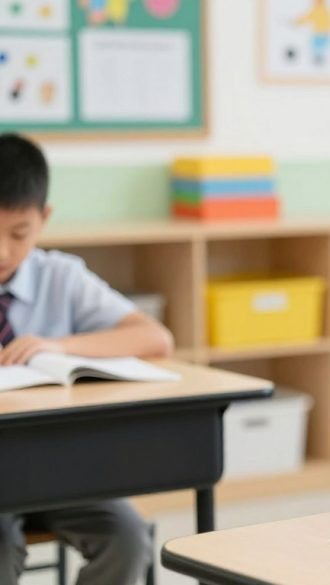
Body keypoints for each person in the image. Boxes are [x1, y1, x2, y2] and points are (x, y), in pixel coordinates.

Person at [0, 133, 174, 584]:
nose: (3, 251)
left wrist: (60, 345)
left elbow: (154, 338)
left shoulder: (60, 275)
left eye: (19, 233)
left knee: (130, 537)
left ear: (44, 218)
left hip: (59, 469)